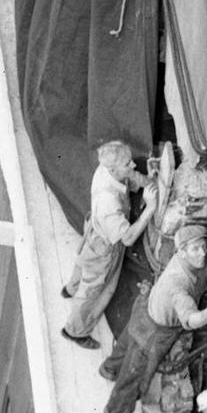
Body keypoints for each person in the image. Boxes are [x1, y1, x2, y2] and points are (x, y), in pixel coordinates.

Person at [104, 224, 207, 413]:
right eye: (196, 249)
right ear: (181, 252)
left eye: (203, 247)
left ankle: (109, 368)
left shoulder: (199, 259)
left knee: (126, 343)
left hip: (146, 308)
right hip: (155, 332)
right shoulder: (178, 282)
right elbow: (192, 320)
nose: (202, 252)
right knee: (136, 374)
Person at [61, 141, 153, 349]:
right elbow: (128, 238)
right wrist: (150, 209)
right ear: (113, 168)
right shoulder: (108, 203)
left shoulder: (106, 171)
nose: (133, 166)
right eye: (127, 163)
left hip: (94, 230)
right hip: (105, 248)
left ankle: (70, 288)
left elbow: (129, 177)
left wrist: (149, 180)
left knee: (83, 265)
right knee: (94, 290)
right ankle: (74, 331)